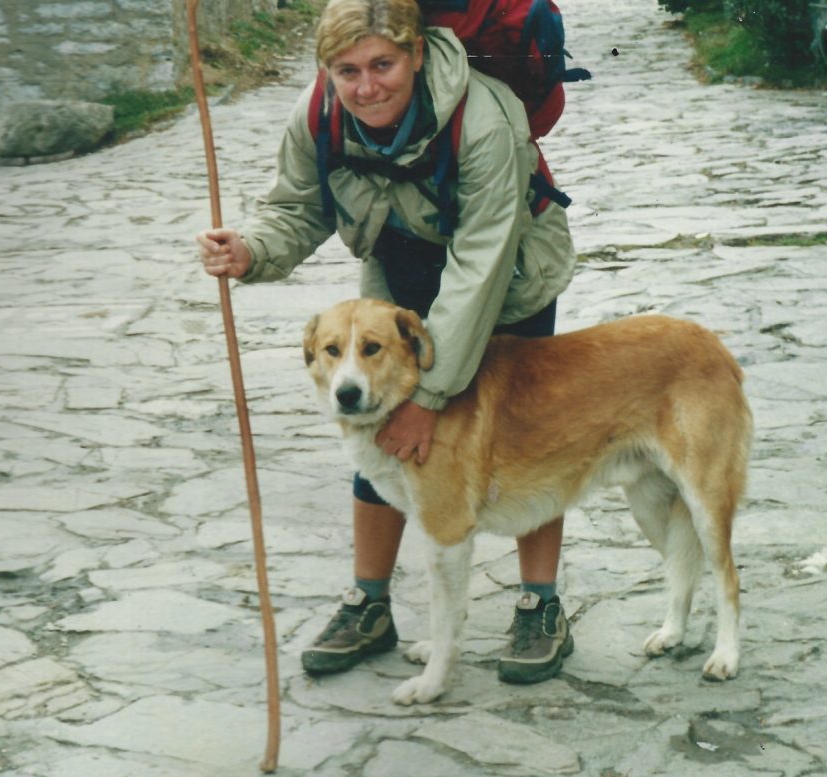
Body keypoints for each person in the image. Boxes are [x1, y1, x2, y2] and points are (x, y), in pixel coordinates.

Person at [196, 0, 577, 685]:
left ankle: (538, 604)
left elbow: (480, 263)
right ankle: (369, 603)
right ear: (327, 70)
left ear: (417, 55)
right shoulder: (320, 114)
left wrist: (429, 392)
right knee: (377, 430)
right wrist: (251, 250)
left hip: (511, 269)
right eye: (347, 70)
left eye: (382, 65)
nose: (366, 86)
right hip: (401, 262)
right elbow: (296, 206)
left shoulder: (483, 118)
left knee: (527, 432)